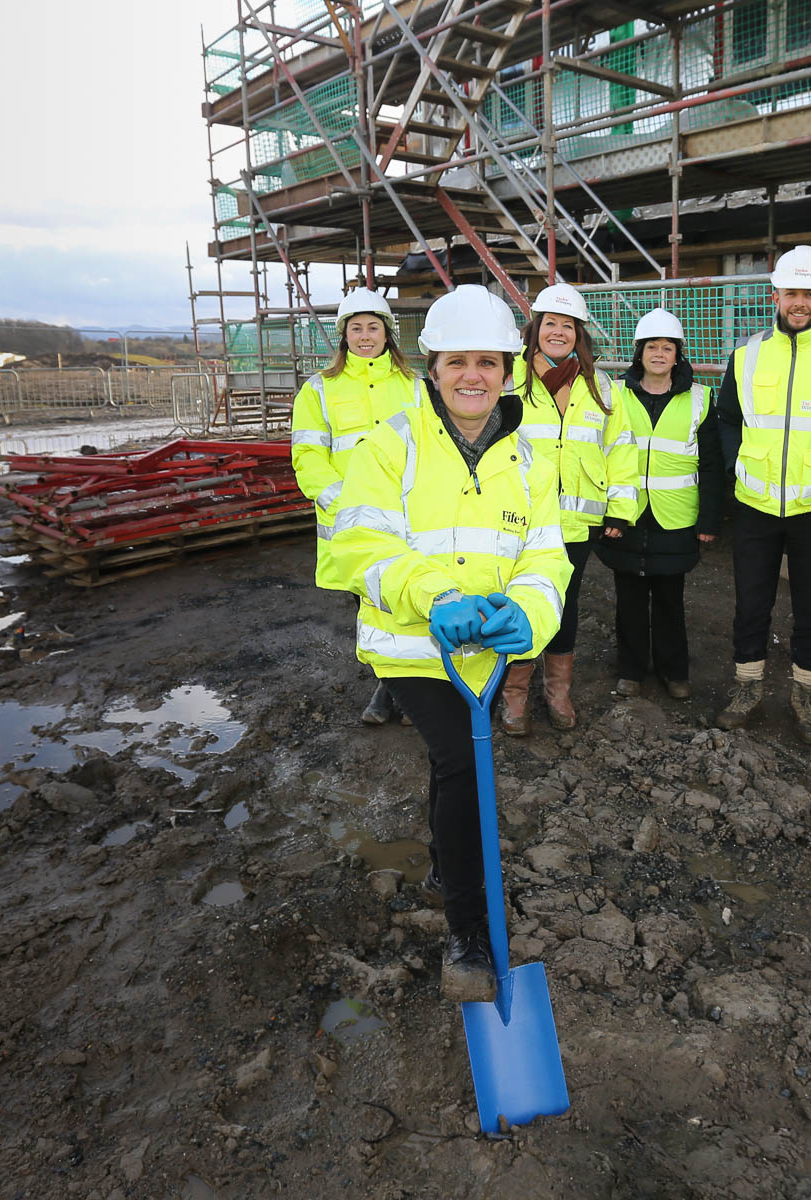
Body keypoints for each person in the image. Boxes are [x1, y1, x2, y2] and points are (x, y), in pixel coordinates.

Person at [325, 285, 573, 1000]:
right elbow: (361, 545)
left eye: (488, 363)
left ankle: (445, 859)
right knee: (466, 764)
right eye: (457, 361)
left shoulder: (531, 457)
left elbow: (546, 553)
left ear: (508, 368)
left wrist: (529, 609)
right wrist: (435, 597)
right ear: (432, 368)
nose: (473, 376)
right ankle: (467, 930)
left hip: (485, 649)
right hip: (411, 647)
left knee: (452, 766)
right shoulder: (389, 445)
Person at [712, 245, 811, 744]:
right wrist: (740, 473)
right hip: (756, 507)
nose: (799, 302)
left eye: (810, 293)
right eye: (791, 293)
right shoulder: (745, 355)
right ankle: (748, 688)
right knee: (751, 604)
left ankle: (805, 694)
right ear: (773, 294)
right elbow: (728, 424)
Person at [502, 282, 637, 734]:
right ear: (536, 328)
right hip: (520, 520)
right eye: (550, 324)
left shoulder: (599, 385)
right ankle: (514, 695)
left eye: (567, 325)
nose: (558, 332)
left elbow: (621, 448)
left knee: (564, 605)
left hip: (577, 523)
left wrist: (620, 509)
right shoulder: (509, 380)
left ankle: (557, 690)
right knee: (520, 604)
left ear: (579, 333)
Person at [290, 288, 419, 727]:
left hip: (407, 518)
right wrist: (349, 506)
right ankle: (391, 686)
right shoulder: (318, 390)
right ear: (343, 335)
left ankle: (393, 691)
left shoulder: (414, 386)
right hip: (351, 524)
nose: (366, 336)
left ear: (388, 333)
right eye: (356, 328)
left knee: (404, 600)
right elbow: (308, 457)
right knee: (368, 606)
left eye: (374, 327)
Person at [595, 308, 721, 699]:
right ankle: (631, 671)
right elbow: (599, 453)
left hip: (676, 516)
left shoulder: (699, 399)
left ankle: (674, 671)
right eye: (652, 346)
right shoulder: (614, 395)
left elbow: (713, 463)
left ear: (677, 356)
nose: (660, 354)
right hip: (626, 514)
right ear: (639, 352)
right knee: (628, 597)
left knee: (671, 599)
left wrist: (710, 517)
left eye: (668, 348)